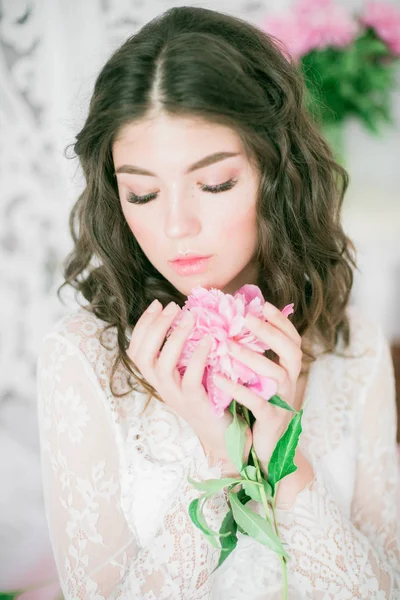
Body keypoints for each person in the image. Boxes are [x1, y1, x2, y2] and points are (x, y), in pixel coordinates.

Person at [36, 6, 400, 599]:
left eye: (216, 184)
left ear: (278, 172)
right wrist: (219, 457)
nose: (177, 226)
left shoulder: (352, 348)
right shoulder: (83, 358)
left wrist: (283, 458)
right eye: (143, 192)